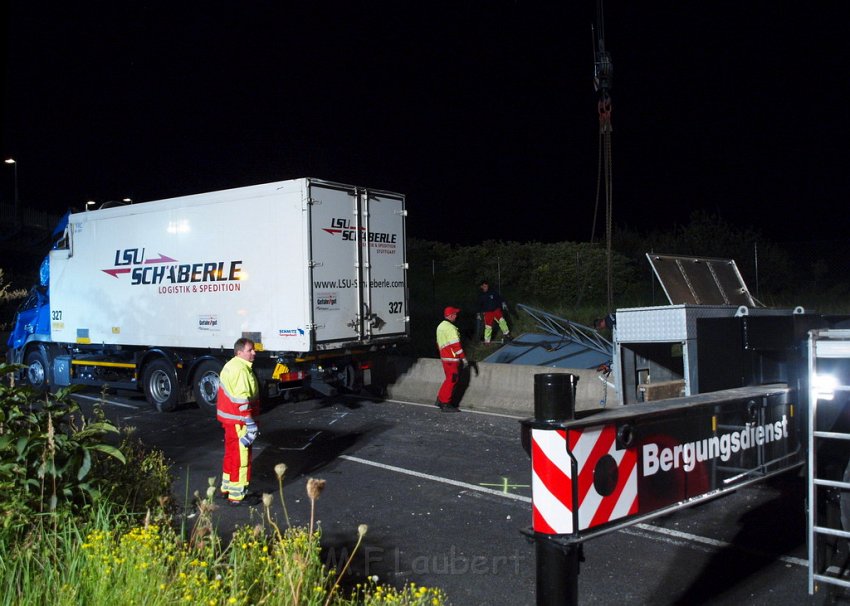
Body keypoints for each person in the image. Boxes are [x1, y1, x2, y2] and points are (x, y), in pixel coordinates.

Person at [216, 337, 260, 505]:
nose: (254, 353)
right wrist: (250, 423)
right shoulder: (240, 370)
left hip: (231, 421)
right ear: (239, 352)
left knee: (231, 454)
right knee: (241, 459)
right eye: (250, 350)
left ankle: (226, 488)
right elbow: (242, 400)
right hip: (240, 422)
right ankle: (237, 496)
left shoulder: (232, 365)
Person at [435, 306, 467, 412]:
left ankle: (440, 399)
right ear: (451, 315)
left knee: (448, 379)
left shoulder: (440, 326)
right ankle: (445, 403)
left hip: (445, 357)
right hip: (451, 358)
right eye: (455, 314)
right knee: (452, 380)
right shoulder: (450, 328)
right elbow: (456, 345)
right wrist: (463, 358)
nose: (456, 316)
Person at [477, 280, 511, 344]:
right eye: (484, 286)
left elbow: (499, 298)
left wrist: (503, 303)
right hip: (487, 312)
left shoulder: (492, 292)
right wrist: (479, 313)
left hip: (496, 310)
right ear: (481, 287)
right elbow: (479, 305)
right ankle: (487, 341)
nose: (485, 287)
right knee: (488, 326)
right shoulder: (480, 295)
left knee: (502, 321)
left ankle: (507, 334)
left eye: (486, 286)